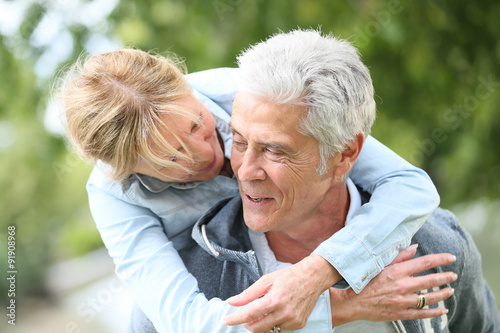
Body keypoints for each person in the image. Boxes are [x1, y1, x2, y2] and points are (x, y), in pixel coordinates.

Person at [128, 29, 500, 332]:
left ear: (344, 155)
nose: (243, 171)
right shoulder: (189, 284)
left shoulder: (435, 248)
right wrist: (338, 308)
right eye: (238, 141)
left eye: (275, 151)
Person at [58, 45, 442, 332]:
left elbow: (409, 187)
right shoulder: (114, 195)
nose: (205, 152)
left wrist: (316, 273)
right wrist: (340, 306)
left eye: (195, 124)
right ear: (128, 171)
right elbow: (186, 321)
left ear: (187, 86)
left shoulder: (248, 92)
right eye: (171, 159)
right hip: (231, 292)